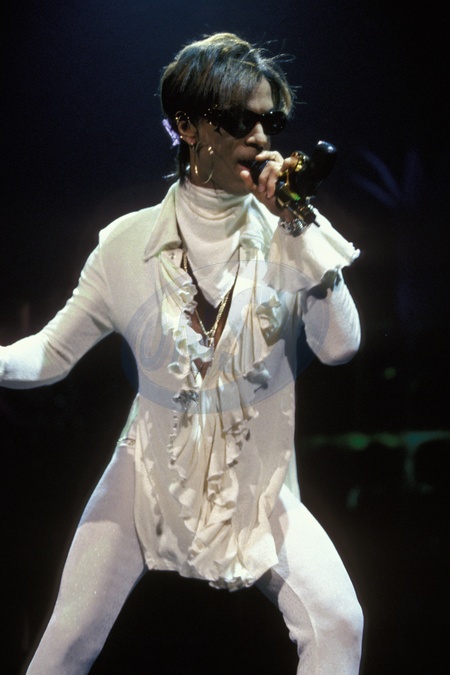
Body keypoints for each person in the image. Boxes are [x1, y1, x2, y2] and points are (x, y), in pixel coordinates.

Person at [1, 32, 364, 674]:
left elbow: (340, 347)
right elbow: (48, 355)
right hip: (145, 469)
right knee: (67, 642)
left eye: (270, 121)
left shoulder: (293, 229)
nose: (260, 136)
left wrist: (299, 224)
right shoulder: (126, 243)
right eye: (239, 120)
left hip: (257, 480)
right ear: (188, 126)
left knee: (338, 622)